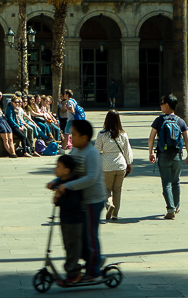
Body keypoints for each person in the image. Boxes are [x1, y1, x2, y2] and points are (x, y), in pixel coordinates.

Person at [55, 119, 106, 281]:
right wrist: (57, 182)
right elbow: (68, 173)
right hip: (81, 201)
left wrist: (68, 186)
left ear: (84, 137)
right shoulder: (75, 152)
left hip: (93, 200)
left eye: (75, 135)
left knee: (90, 236)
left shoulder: (92, 153)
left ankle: (94, 271)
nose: (72, 138)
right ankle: (94, 261)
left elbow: (91, 178)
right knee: (82, 236)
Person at [148, 94, 188, 220]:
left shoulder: (159, 120)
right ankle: (176, 206)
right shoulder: (180, 121)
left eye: (162, 104)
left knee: (166, 183)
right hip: (177, 155)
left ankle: (170, 208)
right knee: (176, 181)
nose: (161, 106)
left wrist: (151, 152)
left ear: (167, 105)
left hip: (163, 155)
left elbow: (151, 137)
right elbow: (187, 140)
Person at [46, 154, 84, 285]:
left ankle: (74, 273)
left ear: (67, 170)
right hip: (65, 220)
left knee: (72, 247)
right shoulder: (62, 180)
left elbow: (73, 202)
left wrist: (59, 197)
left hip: (73, 221)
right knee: (68, 246)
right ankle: (72, 270)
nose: (55, 169)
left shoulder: (72, 184)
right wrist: (53, 186)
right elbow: (56, 184)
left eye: (58, 167)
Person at [95, 110, 133, 221]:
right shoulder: (123, 134)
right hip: (120, 164)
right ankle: (115, 214)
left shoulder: (102, 134)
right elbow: (127, 151)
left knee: (106, 189)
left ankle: (109, 204)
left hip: (106, 165)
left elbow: (97, 150)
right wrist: (129, 164)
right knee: (117, 190)